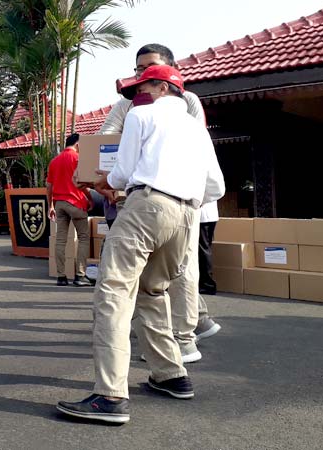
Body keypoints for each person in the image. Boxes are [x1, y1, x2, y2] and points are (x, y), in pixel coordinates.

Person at [56, 65, 225, 424]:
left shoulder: (142, 115)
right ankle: (171, 375)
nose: (137, 95)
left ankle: (110, 396)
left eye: (142, 86)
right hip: (186, 215)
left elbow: (123, 170)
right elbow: (217, 188)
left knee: (113, 295)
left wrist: (110, 181)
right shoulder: (197, 128)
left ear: (163, 87)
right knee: (153, 292)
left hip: (146, 207)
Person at [98, 44, 222, 361]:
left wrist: (109, 179)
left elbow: (122, 166)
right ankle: (170, 360)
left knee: (117, 289)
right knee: (155, 284)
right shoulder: (130, 104)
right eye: (138, 69)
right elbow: (104, 137)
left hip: (155, 198)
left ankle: (181, 339)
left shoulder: (179, 104)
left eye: (148, 71)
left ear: (167, 79)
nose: (140, 77)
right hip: (178, 201)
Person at [47, 133, 94, 287]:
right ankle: (80, 276)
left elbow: (49, 186)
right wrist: (90, 199)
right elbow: (83, 183)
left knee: (60, 240)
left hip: (59, 204)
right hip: (76, 202)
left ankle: (61, 276)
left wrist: (50, 206)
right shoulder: (78, 159)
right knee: (83, 237)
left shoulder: (54, 161)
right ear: (78, 144)